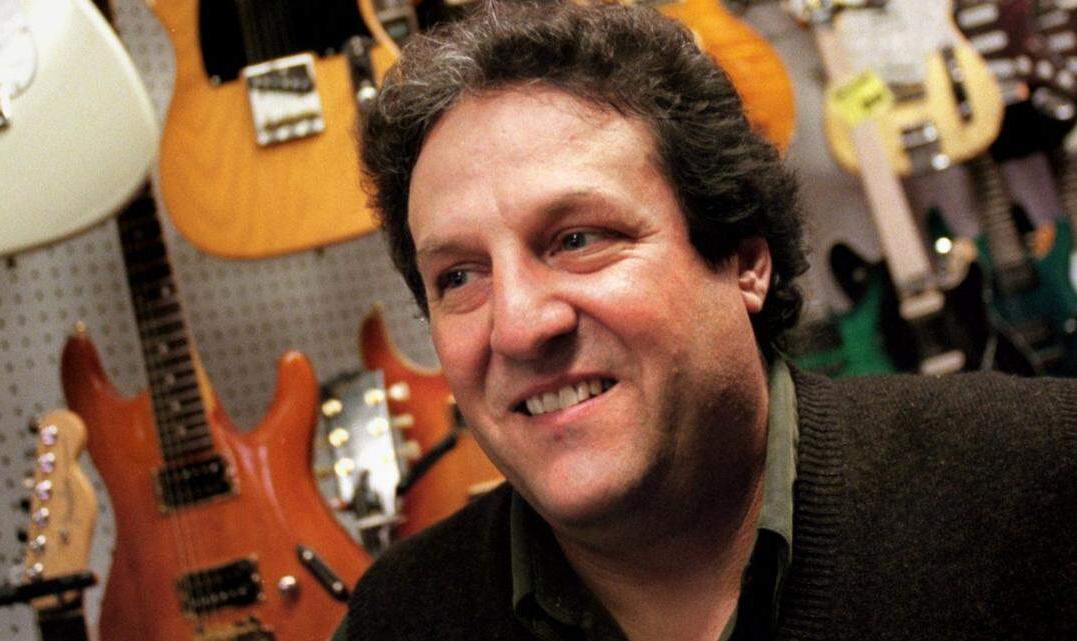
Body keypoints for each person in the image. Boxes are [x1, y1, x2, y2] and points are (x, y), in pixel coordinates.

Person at [335, 2, 1077, 639]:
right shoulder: (399, 618)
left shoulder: (1042, 482)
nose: (519, 325)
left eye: (579, 240)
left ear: (744, 260)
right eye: (458, 277)